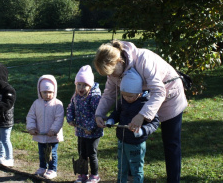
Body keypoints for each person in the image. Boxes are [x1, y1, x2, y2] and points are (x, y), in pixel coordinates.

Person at [94, 40, 188, 183]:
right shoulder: (113, 71)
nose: (111, 76)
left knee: (171, 143)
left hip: (170, 96)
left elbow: (159, 91)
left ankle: (173, 180)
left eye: (112, 72)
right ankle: (132, 177)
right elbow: (108, 93)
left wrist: (142, 115)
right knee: (132, 136)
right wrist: (99, 114)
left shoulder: (143, 59)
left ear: (119, 61)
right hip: (142, 99)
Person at [106, 67, 160, 183]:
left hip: (136, 144)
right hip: (122, 140)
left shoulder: (146, 104)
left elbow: (155, 123)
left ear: (139, 93)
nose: (126, 98)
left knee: (136, 170)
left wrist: (143, 131)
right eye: (124, 95)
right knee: (122, 168)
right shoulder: (123, 100)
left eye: (130, 96)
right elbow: (117, 112)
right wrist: (111, 119)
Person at [67, 65, 103, 183]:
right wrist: (70, 118)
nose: (81, 88)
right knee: (82, 153)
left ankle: (94, 175)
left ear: (90, 86)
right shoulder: (76, 96)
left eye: (85, 85)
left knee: (91, 153)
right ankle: (83, 174)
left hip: (93, 132)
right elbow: (71, 108)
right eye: (79, 85)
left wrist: (91, 127)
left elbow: (98, 114)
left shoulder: (94, 97)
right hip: (81, 131)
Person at [26, 75, 64, 180]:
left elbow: (59, 119)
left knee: (52, 153)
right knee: (42, 153)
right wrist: (31, 127)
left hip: (52, 135)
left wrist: (54, 130)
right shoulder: (36, 103)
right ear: (40, 92)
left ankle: (52, 169)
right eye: (45, 92)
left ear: (54, 91)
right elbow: (31, 116)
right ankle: (42, 167)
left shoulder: (58, 104)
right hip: (41, 134)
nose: (47, 95)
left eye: (50, 92)